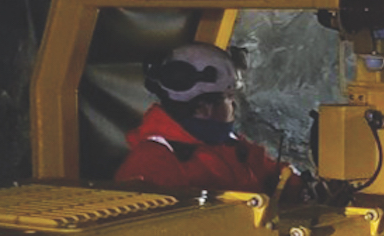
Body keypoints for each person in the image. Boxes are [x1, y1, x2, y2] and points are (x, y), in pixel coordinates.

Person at [115, 43, 300, 198]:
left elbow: (277, 176)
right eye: (228, 97)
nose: (233, 106)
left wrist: (301, 188)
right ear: (203, 108)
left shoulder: (230, 147)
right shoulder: (152, 166)